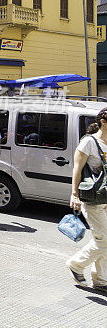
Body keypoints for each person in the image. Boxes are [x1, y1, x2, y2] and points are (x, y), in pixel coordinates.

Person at [67, 107, 107, 290]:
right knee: (104, 239)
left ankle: (101, 280)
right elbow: (77, 168)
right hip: (93, 198)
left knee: (103, 239)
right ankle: (77, 264)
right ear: (103, 121)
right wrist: (74, 194)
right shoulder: (88, 142)